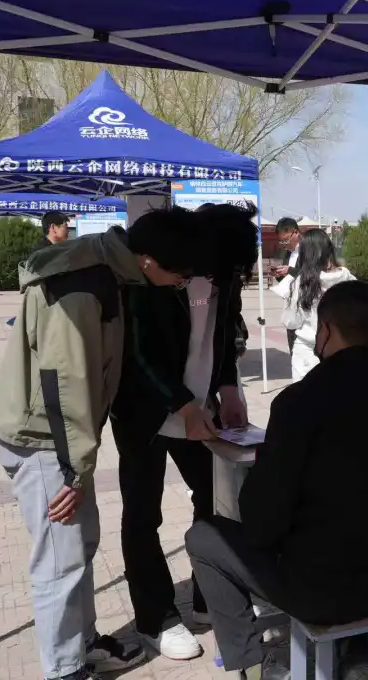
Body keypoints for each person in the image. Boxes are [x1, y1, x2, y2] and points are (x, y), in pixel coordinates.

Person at [0, 209, 198, 680]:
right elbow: (64, 384)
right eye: (179, 277)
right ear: (148, 260)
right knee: (59, 562)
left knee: (80, 545)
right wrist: (74, 470)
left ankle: (82, 644)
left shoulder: (106, 270)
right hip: (44, 438)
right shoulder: (84, 284)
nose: (179, 285)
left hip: (58, 440)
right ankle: (64, 669)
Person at [186, 281, 368, 680]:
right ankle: (356, 654)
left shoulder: (297, 402)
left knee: (204, 536)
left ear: (324, 331)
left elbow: (262, 521)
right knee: (357, 527)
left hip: (318, 592)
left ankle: (254, 662)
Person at [109, 203, 258, 661]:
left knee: (215, 497)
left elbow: (223, 334)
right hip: (146, 411)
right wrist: (182, 404)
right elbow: (139, 353)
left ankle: (207, 593)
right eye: (217, 271)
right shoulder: (157, 273)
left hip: (200, 406)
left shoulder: (224, 275)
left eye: (232, 275)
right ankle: (155, 617)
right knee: (143, 513)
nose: (222, 281)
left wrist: (227, 388)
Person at [280, 228, 355, 380]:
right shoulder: (347, 277)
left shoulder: (302, 282)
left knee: (306, 394)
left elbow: (290, 321)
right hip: (341, 350)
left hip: (307, 352)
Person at [272, 217, 302, 352]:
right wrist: (279, 275)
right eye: (281, 241)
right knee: (293, 348)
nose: (284, 244)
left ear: (296, 232)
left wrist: (289, 270)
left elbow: (312, 273)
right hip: (291, 306)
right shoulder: (288, 253)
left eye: (286, 240)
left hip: (305, 306)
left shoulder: (308, 250)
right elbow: (288, 279)